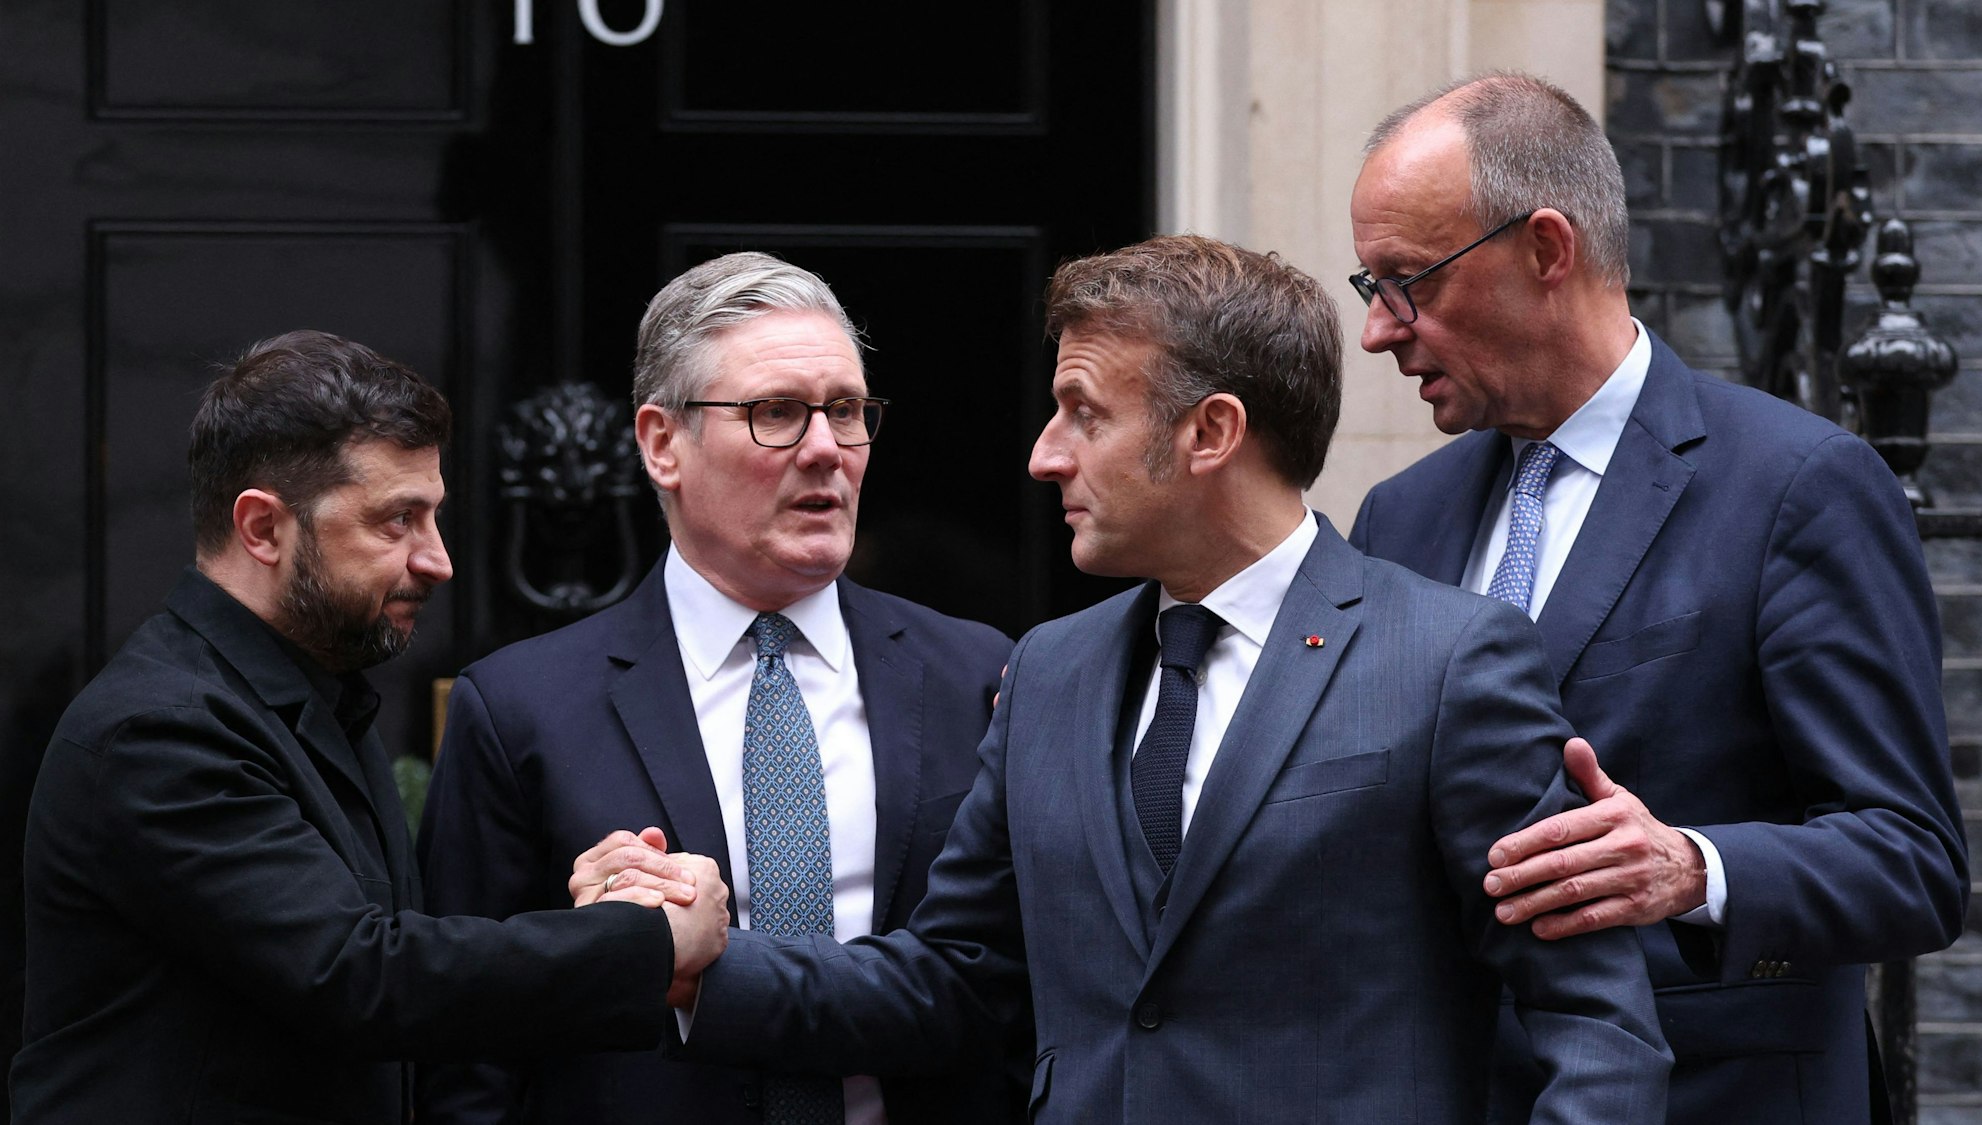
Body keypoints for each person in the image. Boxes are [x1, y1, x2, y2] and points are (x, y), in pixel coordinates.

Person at [663, 235, 1672, 1122]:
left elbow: (1593, 1024)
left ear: (1210, 433)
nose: (1042, 456)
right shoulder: (1047, 673)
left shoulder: (1447, 661)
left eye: (1081, 413)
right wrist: (696, 967)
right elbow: (953, 980)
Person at [1344, 73, 1968, 1124]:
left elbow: (1910, 862)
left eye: (1409, 283)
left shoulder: (1793, 486)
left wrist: (1692, 866)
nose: (1378, 331)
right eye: (1369, 286)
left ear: (1546, 250)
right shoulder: (1398, 518)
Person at [9, 331, 729, 1124]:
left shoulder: (308, 694)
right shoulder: (161, 728)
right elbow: (360, 976)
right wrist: (647, 940)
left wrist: (598, 910)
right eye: (398, 521)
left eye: (434, 517)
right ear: (261, 527)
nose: (439, 559)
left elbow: (386, 952)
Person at [415, 252, 1017, 1125]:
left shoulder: (977, 675)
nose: (824, 450)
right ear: (663, 442)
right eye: (775, 412)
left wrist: (700, 966)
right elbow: (468, 1048)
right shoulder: (519, 709)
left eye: (846, 412)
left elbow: (1015, 987)